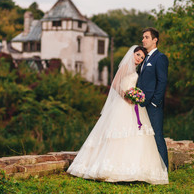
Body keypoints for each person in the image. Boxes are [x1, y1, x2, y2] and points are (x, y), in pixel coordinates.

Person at [67, 45, 169, 185]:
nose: (139, 58)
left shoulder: (135, 69)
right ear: (132, 53)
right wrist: (126, 96)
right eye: (138, 55)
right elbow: (115, 83)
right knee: (119, 135)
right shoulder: (126, 67)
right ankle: (113, 169)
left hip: (135, 106)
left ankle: (135, 171)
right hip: (123, 104)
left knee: (137, 136)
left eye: (142, 57)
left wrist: (136, 96)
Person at [137, 27, 169, 170]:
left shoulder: (160, 58)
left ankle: (163, 170)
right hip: (141, 105)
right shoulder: (144, 59)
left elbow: (162, 81)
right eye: (143, 37)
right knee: (144, 138)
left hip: (153, 106)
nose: (143, 40)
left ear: (155, 40)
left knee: (157, 137)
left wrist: (156, 102)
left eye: (146, 37)